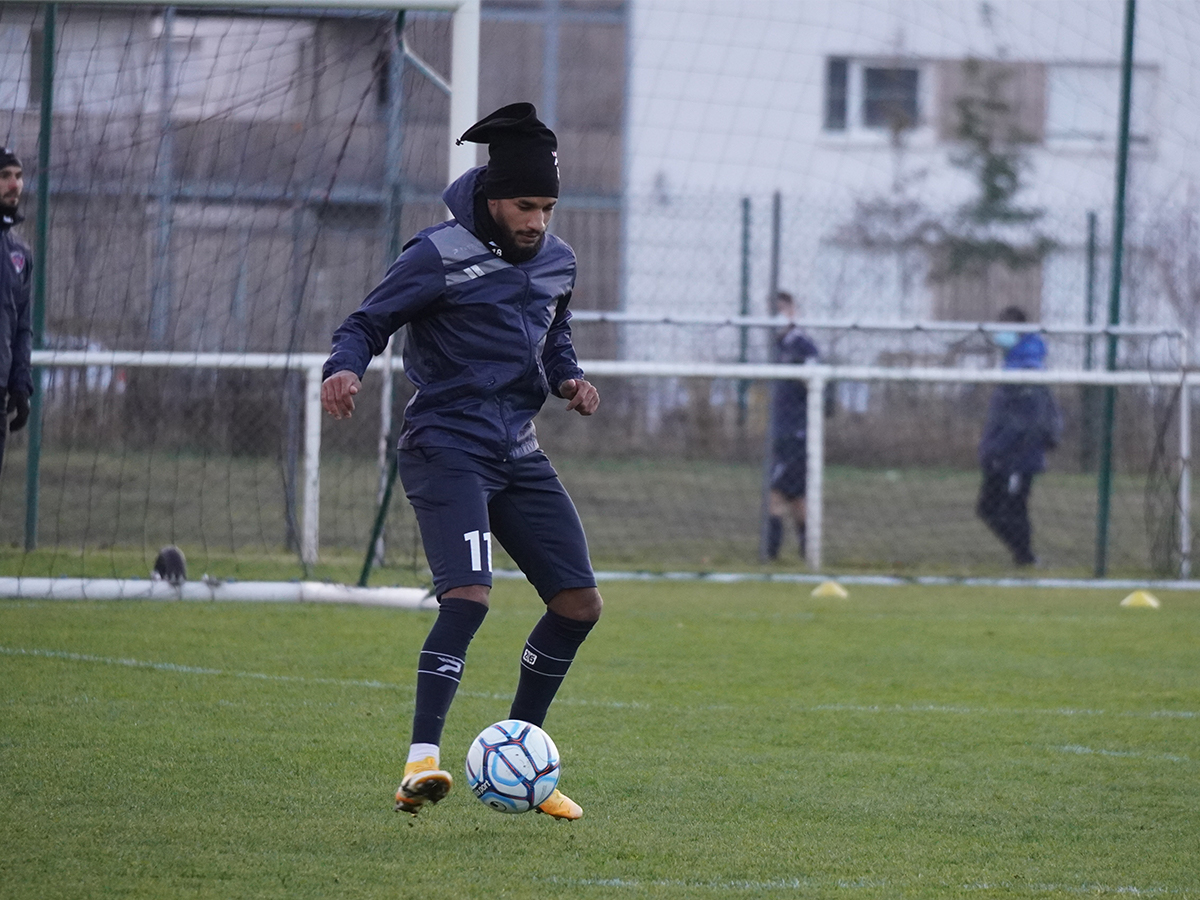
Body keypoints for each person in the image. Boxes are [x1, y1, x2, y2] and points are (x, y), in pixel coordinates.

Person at [321, 103, 601, 821]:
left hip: (517, 449)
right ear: (493, 198)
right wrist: (344, 368)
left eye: (547, 207)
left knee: (578, 604)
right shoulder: (438, 254)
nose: (537, 221)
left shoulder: (559, 261)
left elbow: (554, 332)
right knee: (469, 598)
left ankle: (519, 754)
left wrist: (569, 377)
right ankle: (420, 764)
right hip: (446, 447)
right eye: (525, 206)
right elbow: (367, 321)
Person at [976, 306, 1062, 567]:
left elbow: (1027, 420)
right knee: (992, 508)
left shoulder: (1028, 368)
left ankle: (1026, 557)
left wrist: (998, 448)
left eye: (1005, 329)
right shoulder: (1013, 363)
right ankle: (1024, 556)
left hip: (1016, 456)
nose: (999, 335)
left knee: (1009, 508)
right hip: (1002, 453)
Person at [764, 291, 819, 561]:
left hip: (796, 434)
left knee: (775, 493)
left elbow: (816, 382)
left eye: (782, 310)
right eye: (773, 311)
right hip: (782, 431)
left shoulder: (802, 346)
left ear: (793, 311)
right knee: (796, 497)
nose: (777, 316)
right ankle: (807, 549)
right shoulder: (779, 347)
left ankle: (770, 553)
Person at [0, 147, 32, 476]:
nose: (15, 184)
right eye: (5, 176)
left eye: (18, 176)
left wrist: (20, 384)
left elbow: (22, 325)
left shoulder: (20, 252)